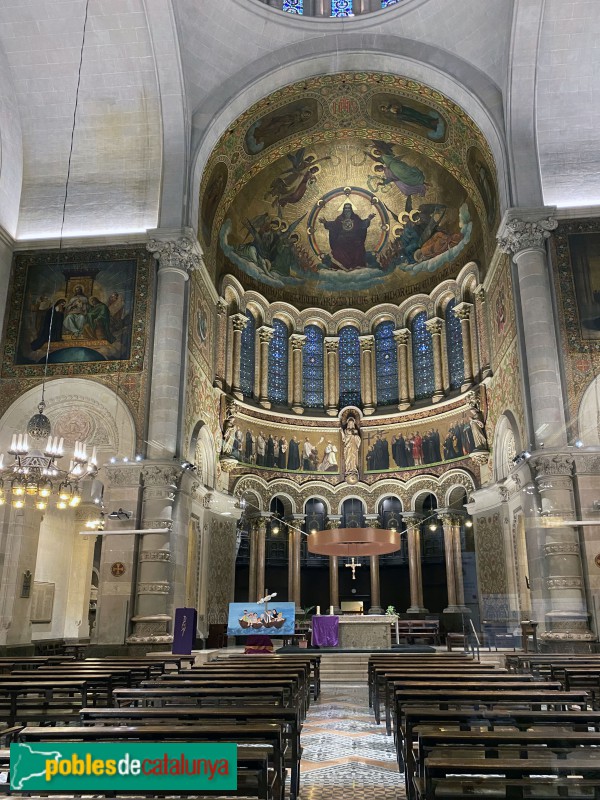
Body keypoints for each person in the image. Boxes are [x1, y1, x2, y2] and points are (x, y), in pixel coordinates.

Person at [320, 203, 375, 270]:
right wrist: (325, 222)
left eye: (349, 208)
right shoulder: (340, 219)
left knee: (359, 248)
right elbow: (334, 226)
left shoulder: (355, 218)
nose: (347, 210)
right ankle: (342, 267)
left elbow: (362, 225)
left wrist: (368, 219)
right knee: (337, 250)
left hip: (354, 241)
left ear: (351, 209)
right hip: (342, 241)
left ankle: (357, 266)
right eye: (346, 208)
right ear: (343, 210)